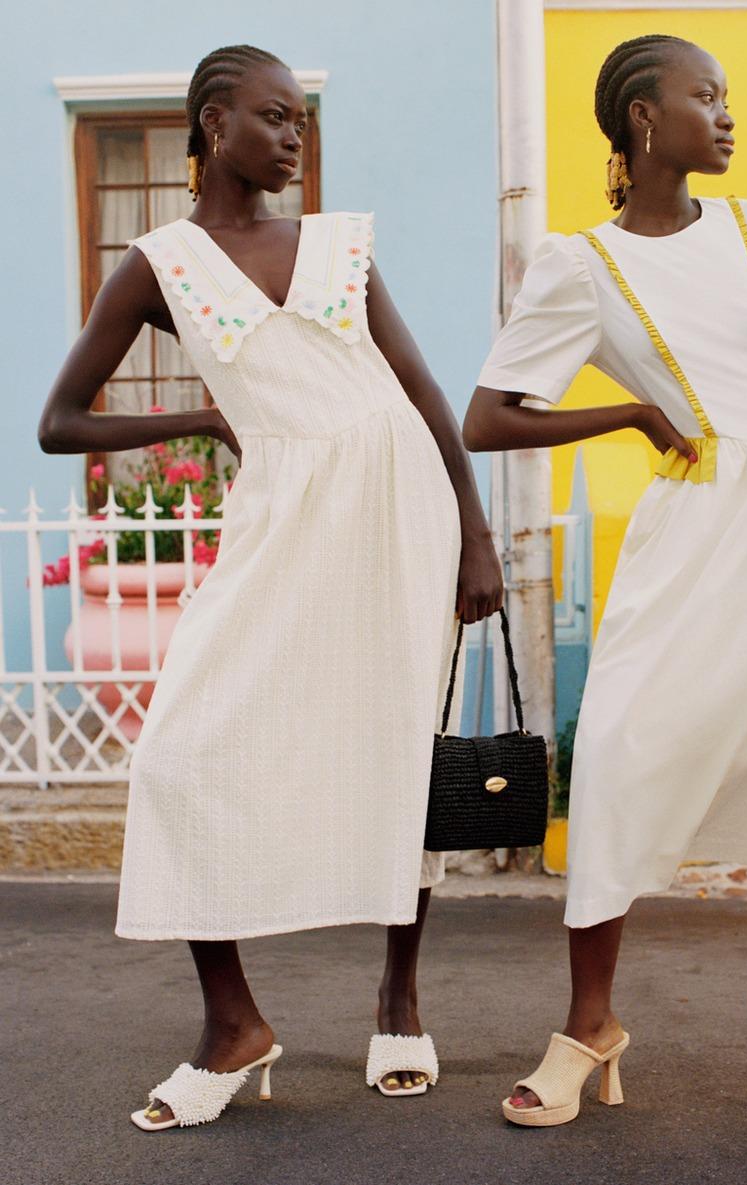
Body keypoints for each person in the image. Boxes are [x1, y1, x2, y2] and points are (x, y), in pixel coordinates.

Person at [36, 46, 502, 1128]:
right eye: (274, 117)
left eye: (301, 120)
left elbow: (425, 394)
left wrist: (476, 534)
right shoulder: (157, 264)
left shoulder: (339, 244)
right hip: (282, 504)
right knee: (179, 750)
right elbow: (61, 422)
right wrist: (200, 416)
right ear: (213, 124)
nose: (295, 136)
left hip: (397, 501)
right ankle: (233, 1024)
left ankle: (398, 1000)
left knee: (395, 751)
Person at [464, 33, 747, 1125]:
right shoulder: (582, 266)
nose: (725, 114)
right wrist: (626, 409)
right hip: (696, 532)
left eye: (726, 96)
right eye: (702, 96)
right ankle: (590, 1026)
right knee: (616, 747)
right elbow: (488, 420)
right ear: (639, 119)